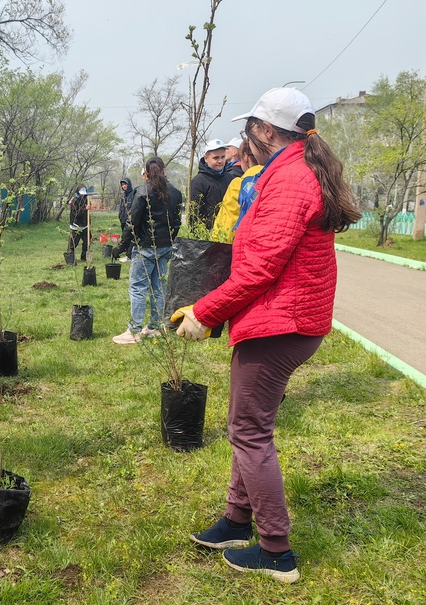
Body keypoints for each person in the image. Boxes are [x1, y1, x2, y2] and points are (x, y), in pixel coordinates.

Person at [172, 88, 361, 583]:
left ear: (264, 131)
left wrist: (205, 312)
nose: (242, 141)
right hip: (282, 319)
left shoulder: (291, 181)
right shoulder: (289, 171)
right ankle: (237, 521)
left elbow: (259, 269)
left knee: (249, 431)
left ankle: (277, 550)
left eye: (247, 130)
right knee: (247, 426)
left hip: (281, 323)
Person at [111, 157, 183, 344]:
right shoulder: (175, 193)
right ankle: (155, 326)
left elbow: (131, 222)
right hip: (165, 247)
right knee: (158, 287)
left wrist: (121, 246)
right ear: (163, 170)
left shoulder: (142, 192)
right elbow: (176, 223)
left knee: (138, 287)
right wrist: (169, 241)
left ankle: (134, 330)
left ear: (146, 173)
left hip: (145, 248)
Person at [211, 141, 263, 243]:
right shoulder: (279, 179)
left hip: (241, 247)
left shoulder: (239, 185)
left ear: (245, 157)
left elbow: (227, 226)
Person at [189, 139, 236, 231]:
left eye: (223, 157)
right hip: (207, 233)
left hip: (227, 232)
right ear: (206, 158)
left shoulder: (230, 179)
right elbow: (194, 214)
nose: (220, 161)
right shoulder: (198, 181)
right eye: (216, 158)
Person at [67, 185, 89, 262]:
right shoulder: (74, 201)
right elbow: (76, 213)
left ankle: (84, 257)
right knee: (73, 243)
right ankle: (70, 257)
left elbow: (87, 214)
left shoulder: (86, 200)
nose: (82, 195)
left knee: (87, 242)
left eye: (84, 193)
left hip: (85, 226)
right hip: (76, 225)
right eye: (81, 193)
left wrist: (89, 222)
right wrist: (85, 209)